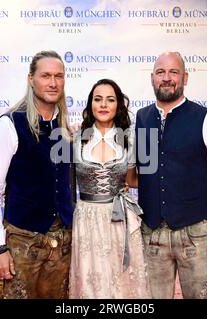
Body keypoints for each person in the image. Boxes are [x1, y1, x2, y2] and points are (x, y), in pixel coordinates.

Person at [135, 52, 207, 299]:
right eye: (161, 72)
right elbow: (138, 170)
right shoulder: (140, 118)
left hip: (196, 235)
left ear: (185, 78)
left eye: (173, 72)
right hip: (152, 234)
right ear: (152, 78)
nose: (167, 78)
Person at [0, 50, 74, 299]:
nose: (53, 83)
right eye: (45, 76)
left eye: (59, 76)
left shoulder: (64, 128)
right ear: (31, 79)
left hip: (62, 243)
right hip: (23, 242)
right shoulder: (9, 125)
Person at [69, 79, 151, 298]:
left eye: (110, 99)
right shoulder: (75, 138)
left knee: (122, 285)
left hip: (120, 220)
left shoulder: (129, 139)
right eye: (98, 99)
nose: (103, 105)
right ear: (90, 105)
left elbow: (134, 180)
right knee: (91, 283)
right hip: (86, 219)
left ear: (118, 106)